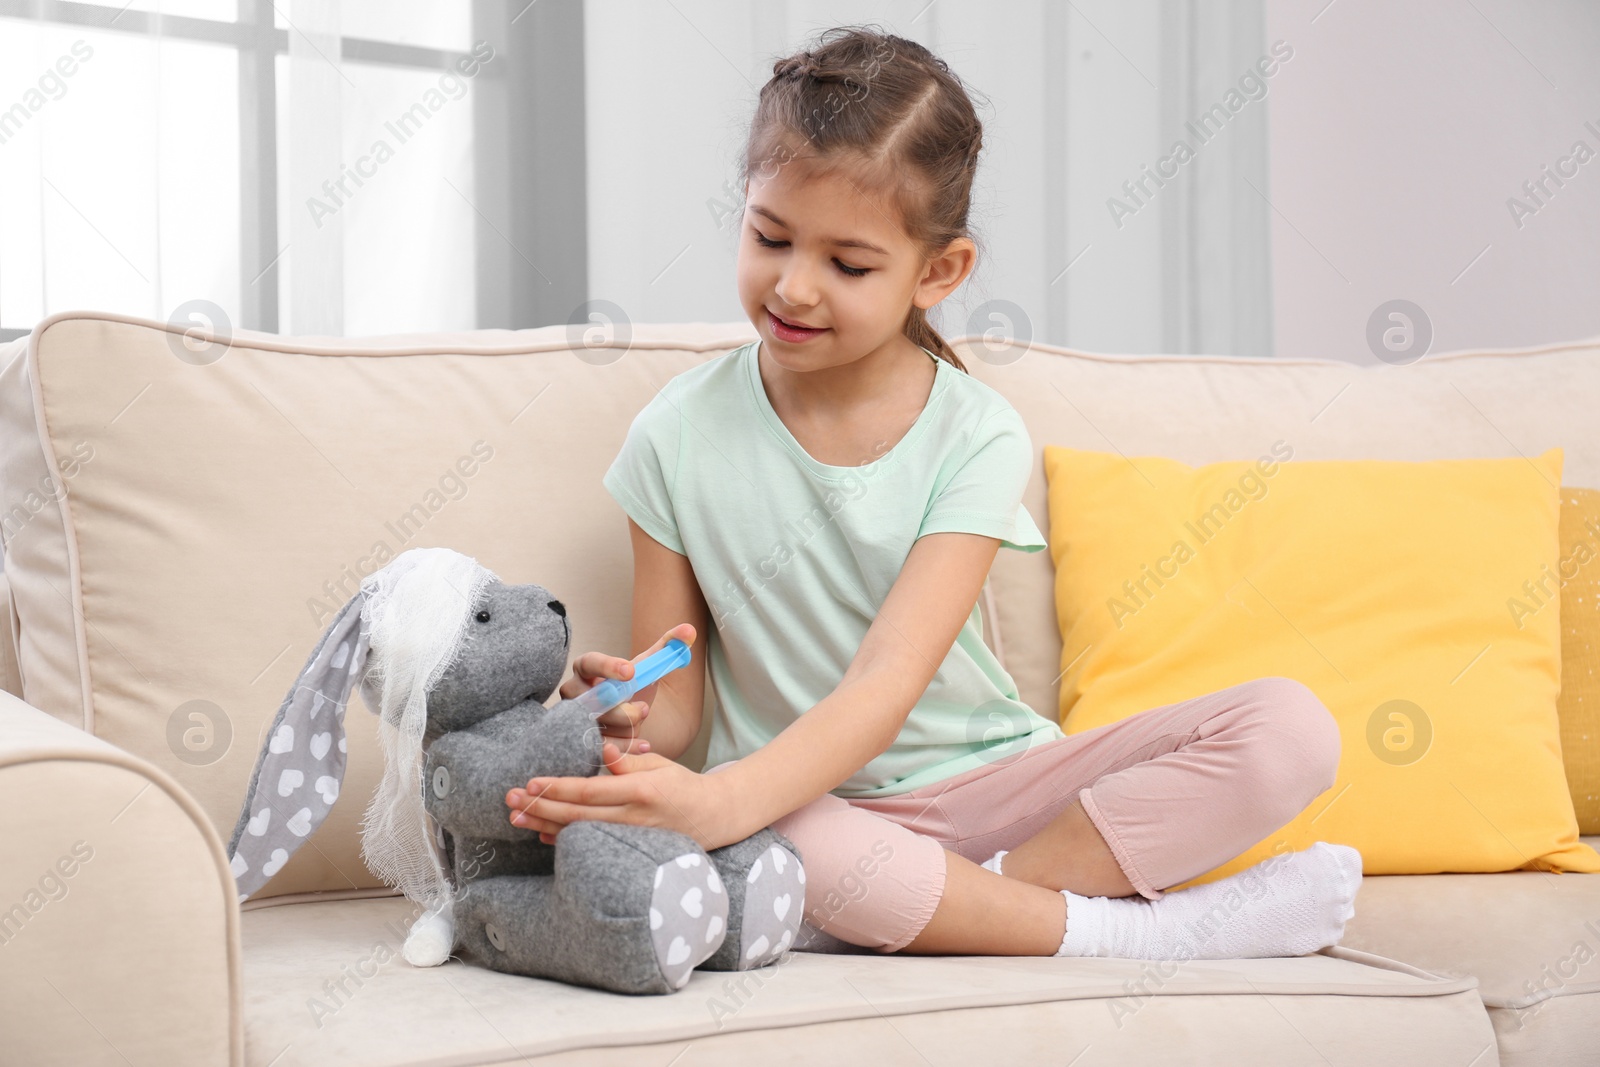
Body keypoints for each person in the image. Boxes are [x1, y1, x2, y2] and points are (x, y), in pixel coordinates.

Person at [504, 25, 1361, 961]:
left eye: (849, 264)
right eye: (770, 236)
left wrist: (718, 804)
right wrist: (633, 710)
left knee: (1291, 730)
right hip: (808, 808)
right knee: (792, 842)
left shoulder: (975, 432)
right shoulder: (672, 435)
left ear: (938, 271)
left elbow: (886, 684)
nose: (793, 285)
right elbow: (681, 709)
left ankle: (973, 909)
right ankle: (1143, 936)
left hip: (1000, 782)